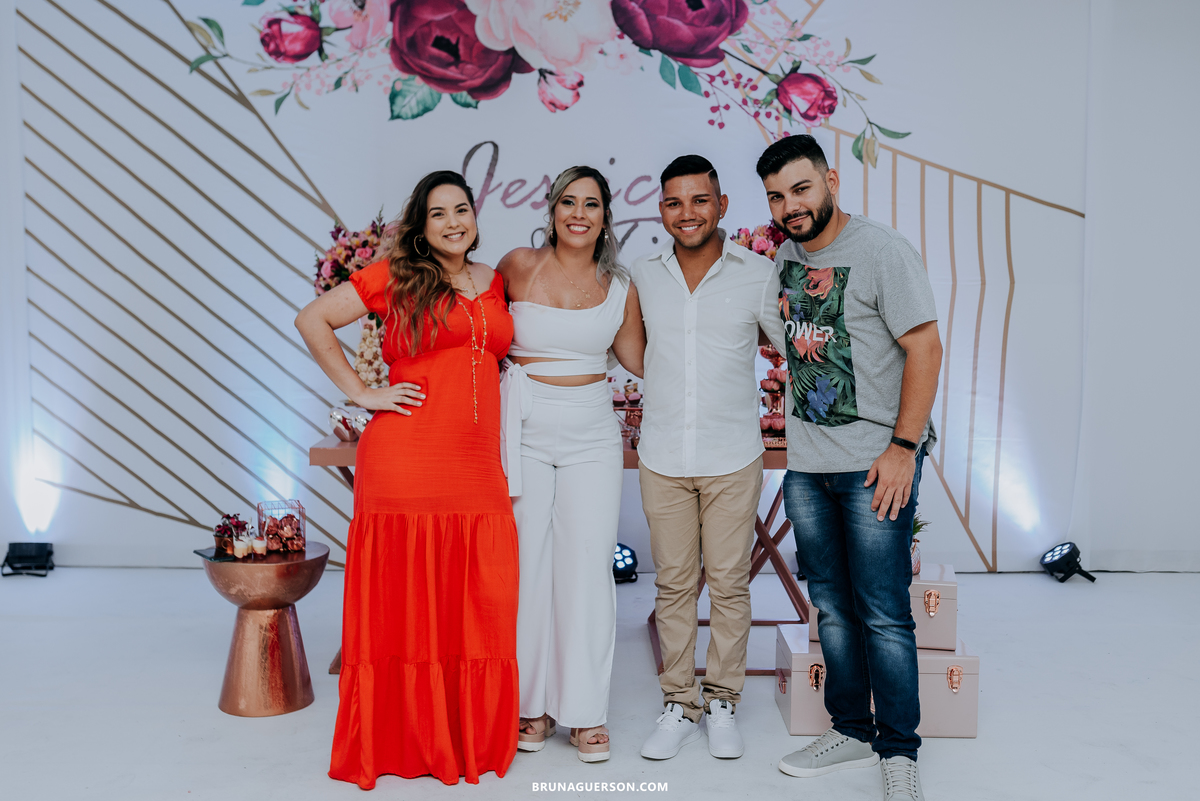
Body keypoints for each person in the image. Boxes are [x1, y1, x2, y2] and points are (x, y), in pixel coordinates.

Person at [295, 171, 519, 788]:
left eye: (461, 209)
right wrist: (363, 392)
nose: (453, 222)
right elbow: (312, 319)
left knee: (479, 597)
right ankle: (408, 736)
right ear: (420, 227)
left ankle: (465, 732)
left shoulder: (496, 281)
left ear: (475, 217)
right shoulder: (397, 275)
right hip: (406, 460)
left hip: (476, 464)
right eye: (438, 213)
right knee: (407, 602)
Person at [758, 135, 942, 801]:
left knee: (884, 611)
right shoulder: (784, 258)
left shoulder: (882, 251)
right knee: (832, 607)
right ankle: (852, 730)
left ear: (831, 180)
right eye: (776, 196)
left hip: (874, 467)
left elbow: (925, 345)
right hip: (808, 468)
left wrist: (903, 447)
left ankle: (899, 750)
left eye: (801, 188)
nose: (790, 205)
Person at [631, 155, 786, 761]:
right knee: (672, 585)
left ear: (721, 206)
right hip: (663, 453)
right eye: (674, 202)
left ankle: (722, 701)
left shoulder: (759, 274)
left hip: (732, 454)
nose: (687, 213)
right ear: (661, 210)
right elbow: (632, 350)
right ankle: (678, 702)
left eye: (700, 200)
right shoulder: (642, 275)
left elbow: (791, 347)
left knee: (728, 584)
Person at [497, 166, 645, 763]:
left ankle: (585, 714)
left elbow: (639, 360)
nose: (578, 213)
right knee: (526, 568)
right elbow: (477, 333)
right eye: (568, 202)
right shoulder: (516, 266)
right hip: (523, 429)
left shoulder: (621, 286)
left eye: (590, 203)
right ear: (552, 210)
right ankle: (529, 706)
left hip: (591, 432)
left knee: (587, 568)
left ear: (606, 216)